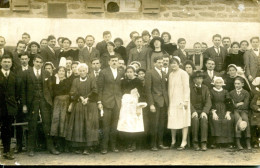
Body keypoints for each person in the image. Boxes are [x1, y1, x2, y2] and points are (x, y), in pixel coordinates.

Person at [21, 55, 60, 156]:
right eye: (37, 62)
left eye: (40, 62)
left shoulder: (46, 73)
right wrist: (24, 105)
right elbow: (23, 90)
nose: (38, 64)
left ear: (42, 64)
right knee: (32, 124)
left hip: (44, 101)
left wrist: (49, 101)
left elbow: (50, 89)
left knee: (47, 124)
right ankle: (31, 149)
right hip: (32, 101)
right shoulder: (26, 73)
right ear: (33, 62)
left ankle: (50, 148)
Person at [66, 63, 99, 155]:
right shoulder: (75, 80)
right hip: (79, 105)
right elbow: (72, 92)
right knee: (80, 126)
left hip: (90, 106)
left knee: (89, 125)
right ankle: (80, 147)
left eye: (84, 70)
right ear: (78, 71)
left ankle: (88, 148)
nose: (82, 72)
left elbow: (95, 91)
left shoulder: (92, 79)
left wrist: (87, 98)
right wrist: (80, 98)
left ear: (87, 71)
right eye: (80, 71)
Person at [97, 55, 124, 154]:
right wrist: (99, 102)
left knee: (114, 125)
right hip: (106, 102)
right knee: (106, 125)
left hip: (117, 102)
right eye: (112, 61)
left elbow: (121, 87)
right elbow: (100, 88)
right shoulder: (103, 72)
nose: (114, 62)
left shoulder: (121, 72)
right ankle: (104, 147)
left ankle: (113, 146)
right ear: (109, 62)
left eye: (116, 61)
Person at [117, 65, 146, 152]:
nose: (129, 74)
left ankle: (133, 144)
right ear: (125, 73)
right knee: (126, 123)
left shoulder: (138, 81)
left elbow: (141, 94)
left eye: (131, 72)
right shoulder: (123, 81)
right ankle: (127, 143)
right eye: (128, 72)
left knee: (134, 123)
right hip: (125, 105)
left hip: (134, 104)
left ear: (134, 73)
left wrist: (138, 107)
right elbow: (121, 92)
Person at [145, 56, 169, 151]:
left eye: (162, 62)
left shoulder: (163, 73)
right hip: (155, 102)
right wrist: (151, 104)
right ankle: (153, 144)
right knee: (154, 124)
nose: (161, 64)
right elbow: (148, 90)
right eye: (159, 62)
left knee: (161, 124)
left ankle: (160, 143)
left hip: (163, 102)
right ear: (154, 63)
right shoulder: (149, 72)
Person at [167, 56, 190, 150]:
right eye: (171, 63)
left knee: (184, 121)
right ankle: (173, 141)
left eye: (175, 63)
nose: (173, 65)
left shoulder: (183, 73)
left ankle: (183, 142)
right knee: (172, 119)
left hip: (182, 100)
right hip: (172, 101)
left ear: (179, 64)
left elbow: (186, 88)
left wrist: (185, 101)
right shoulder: (171, 74)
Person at [48, 65, 71, 153]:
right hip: (57, 104)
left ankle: (65, 145)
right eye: (60, 71)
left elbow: (68, 92)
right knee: (56, 122)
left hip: (65, 103)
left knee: (64, 122)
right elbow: (53, 92)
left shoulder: (68, 81)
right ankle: (57, 145)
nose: (61, 72)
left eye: (63, 71)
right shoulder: (54, 81)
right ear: (57, 72)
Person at [0, 55, 18, 160]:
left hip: (9, 107)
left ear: (11, 64)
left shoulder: (14, 76)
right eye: (5, 61)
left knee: (7, 129)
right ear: (1, 63)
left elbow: (17, 92)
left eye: (9, 62)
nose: (7, 64)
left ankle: (6, 151)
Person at [209, 77, 234, 149]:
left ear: (222, 83)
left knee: (227, 120)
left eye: (220, 83)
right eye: (217, 82)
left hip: (224, 109)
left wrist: (228, 112)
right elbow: (210, 102)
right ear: (214, 83)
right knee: (215, 120)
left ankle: (228, 142)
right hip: (215, 110)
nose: (218, 84)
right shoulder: (211, 91)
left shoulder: (225, 91)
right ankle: (215, 142)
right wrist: (213, 112)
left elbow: (229, 102)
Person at [190, 70, 212, 151]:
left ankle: (203, 142)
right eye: (197, 78)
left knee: (204, 119)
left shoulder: (205, 88)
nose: (199, 80)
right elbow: (188, 101)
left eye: (200, 78)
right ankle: (195, 142)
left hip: (202, 110)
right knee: (195, 119)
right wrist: (193, 111)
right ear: (194, 80)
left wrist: (204, 112)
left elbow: (208, 102)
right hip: (194, 110)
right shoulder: (190, 88)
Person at [14, 53, 31, 153]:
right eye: (22, 59)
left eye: (26, 59)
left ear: (29, 59)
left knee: (30, 123)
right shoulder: (16, 71)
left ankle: (29, 146)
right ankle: (19, 145)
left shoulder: (32, 70)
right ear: (20, 60)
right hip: (20, 101)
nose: (24, 61)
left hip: (30, 101)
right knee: (19, 123)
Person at [229, 77, 251, 150]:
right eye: (235, 84)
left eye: (238, 84)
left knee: (246, 119)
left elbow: (246, 104)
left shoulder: (246, 93)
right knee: (238, 120)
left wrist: (237, 104)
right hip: (235, 110)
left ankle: (248, 140)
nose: (236, 85)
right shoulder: (231, 93)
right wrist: (238, 104)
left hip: (244, 110)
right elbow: (232, 104)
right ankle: (238, 142)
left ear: (242, 84)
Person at [250, 77, 260, 148]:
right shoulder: (254, 92)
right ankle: (255, 141)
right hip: (255, 111)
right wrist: (258, 108)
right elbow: (252, 104)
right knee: (255, 124)